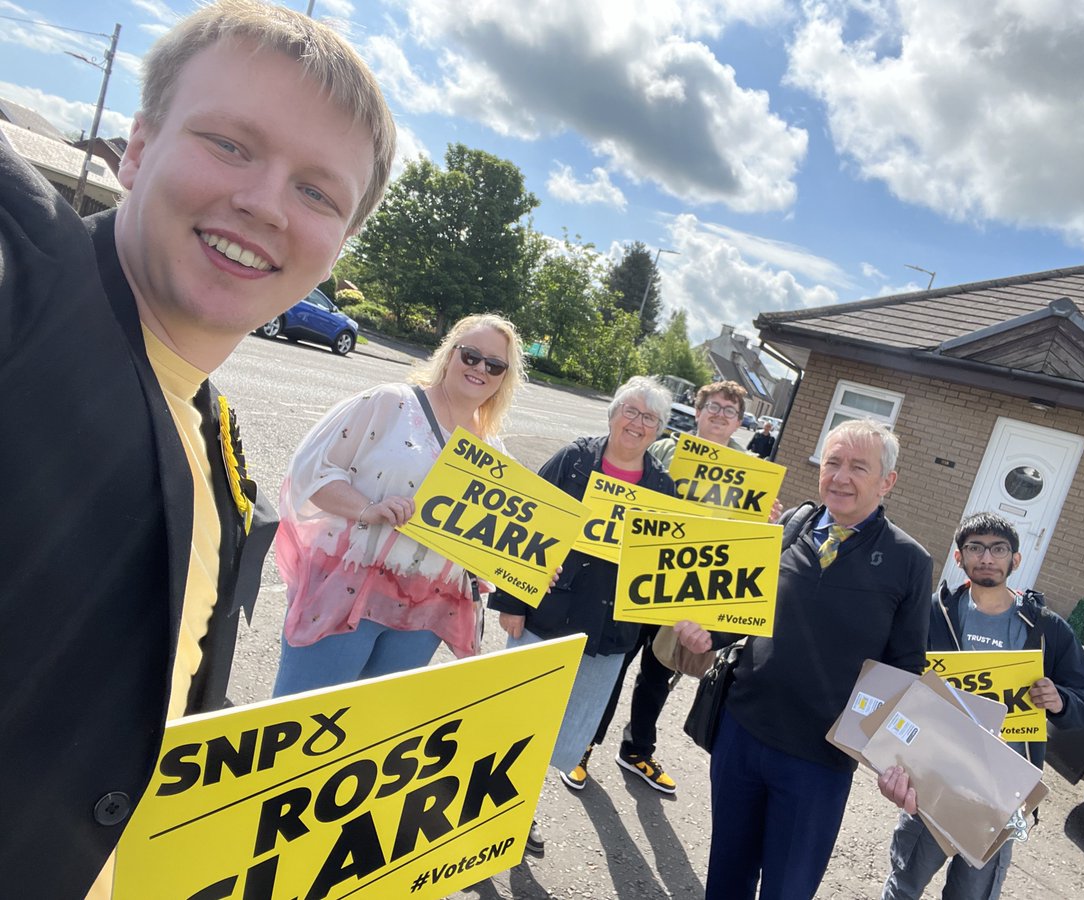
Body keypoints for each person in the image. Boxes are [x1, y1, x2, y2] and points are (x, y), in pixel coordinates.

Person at [0, 2, 396, 896]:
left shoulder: (217, 443)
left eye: (316, 191)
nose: (262, 202)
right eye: (229, 143)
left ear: (338, 245)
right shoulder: (26, 301)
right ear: (135, 149)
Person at [676, 418, 932, 900]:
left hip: (820, 760)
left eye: (859, 467)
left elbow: (905, 668)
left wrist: (896, 760)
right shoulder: (790, 525)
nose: (841, 476)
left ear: (887, 481)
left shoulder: (910, 562)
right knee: (726, 874)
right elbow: (743, 609)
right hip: (743, 732)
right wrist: (706, 632)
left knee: (787, 889)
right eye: (833, 462)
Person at [272, 315, 525, 696]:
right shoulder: (391, 403)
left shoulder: (492, 452)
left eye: (494, 365)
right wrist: (366, 508)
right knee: (297, 723)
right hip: (348, 590)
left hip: (423, 615)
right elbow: (312, 472)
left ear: (504, 377)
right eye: (471, 356)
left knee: (366, 733)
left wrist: (528, 562)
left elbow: (485, 543)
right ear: (449, 353)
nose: (479, 369)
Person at [563, 380, 779, 795]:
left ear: (740, 423)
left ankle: (637, 749)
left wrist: (766, 520)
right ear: (697, 412)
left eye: (730, 411)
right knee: (615, 663)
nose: (719, 415)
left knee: (659, 671)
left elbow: (746, 540)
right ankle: (584, 745)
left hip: (690, 584)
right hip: (642, 574)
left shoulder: (751, 470)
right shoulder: (664, 448)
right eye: (712, 406)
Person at [488, 376, 677, 850]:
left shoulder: (663, 488)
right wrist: (513, 601)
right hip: (546, 613)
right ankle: (484, 812)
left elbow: (663, 566)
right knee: (516, 717)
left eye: (648, 418)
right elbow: (526, 520)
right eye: (630, 411)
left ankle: (519, 814)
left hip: (607, 633)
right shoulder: (575, 459)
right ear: (612, 413)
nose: (636, 423)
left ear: (659, 431)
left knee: (563, 732)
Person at [878, 512, 1084, 900]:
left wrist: (1062, 700)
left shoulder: (1046, 629)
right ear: (958, 557)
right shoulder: (932, 615)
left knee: (972, 895)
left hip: (1001, 793)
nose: (987, 557)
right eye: (975, 548)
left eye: (998, 549)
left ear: (1015, 560)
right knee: (905, 885)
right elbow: (895, 677)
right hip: (934, 780)